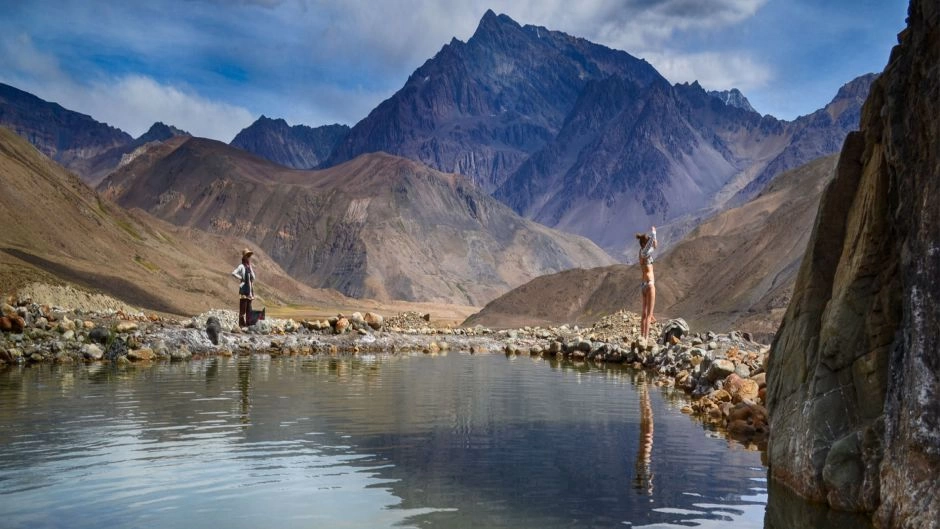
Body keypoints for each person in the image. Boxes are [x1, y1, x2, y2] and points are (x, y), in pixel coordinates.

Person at [636, 226, 657, 341]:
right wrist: (654, 232)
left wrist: (654, 237)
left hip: (643, 285)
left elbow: (654, 245)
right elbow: (653, 244)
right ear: (644, 243)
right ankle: (646, 338)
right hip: (649, 284)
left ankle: (642, 337)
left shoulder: (641, 253)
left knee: (644, 313)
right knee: (649, 314)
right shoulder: (645, 253)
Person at [232, 248, 256, 328]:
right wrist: (241, 277)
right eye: (247, 255)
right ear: (244, 257)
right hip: (244, 288)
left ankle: (249, 323)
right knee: (243, 307)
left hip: (249, 290)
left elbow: (253, 277)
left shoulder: (249, 266)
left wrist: (251, 271)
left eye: (249, 255)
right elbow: (234, 273)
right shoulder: (241, 266)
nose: (249, 257)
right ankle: (241, 324)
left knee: (249, 307)